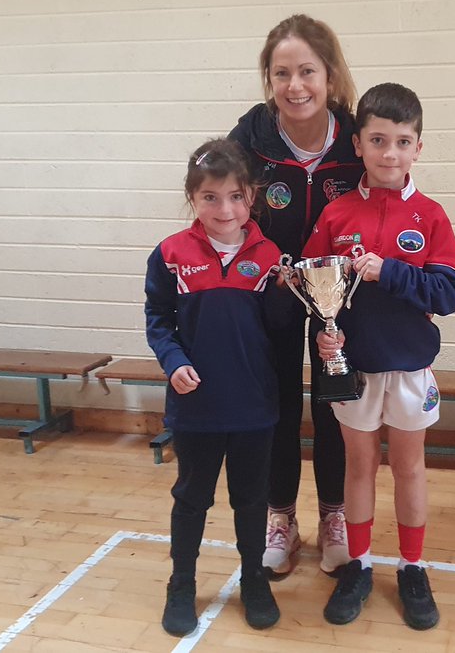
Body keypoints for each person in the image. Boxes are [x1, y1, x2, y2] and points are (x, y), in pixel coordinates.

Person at [302, 83, 455, 631]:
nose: (389, 153)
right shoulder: (336, 213)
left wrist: (388, 272)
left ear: (418, 147)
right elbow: (313, 286)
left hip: (411, 368)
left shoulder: (431, 216)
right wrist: (326, 333)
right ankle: (361, 565)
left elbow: (449, 295)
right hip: (355, 369)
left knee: (410, 468)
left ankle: (413, 568)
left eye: (402, 141)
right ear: (359, 144)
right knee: (359, 467)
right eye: (378, 140)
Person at [229, 14, 365, 578]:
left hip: (341, 301)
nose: (295, 86)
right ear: (268, 79)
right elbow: (230, 216)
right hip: (274, 299)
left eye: (307, 71)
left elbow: (383, 208)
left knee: (335, 403)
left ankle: (335, 513)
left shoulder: (357, 138)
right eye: (281, 72)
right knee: (278, 405)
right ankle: (280, 516)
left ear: (329, 75)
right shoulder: (252, 137)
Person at [144, 138, 285, 636]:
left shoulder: (271, 258)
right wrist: (173, 360)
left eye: (235, 197)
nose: (224, 209)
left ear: (251, 196)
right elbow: (158, 320)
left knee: (251, 500)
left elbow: (281, 330)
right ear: (192, 198)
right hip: (196, 407)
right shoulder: (169, 255)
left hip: (254, 406)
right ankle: (181, 583)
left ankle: (254, 580)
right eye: (210, 197)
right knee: (191, 498)